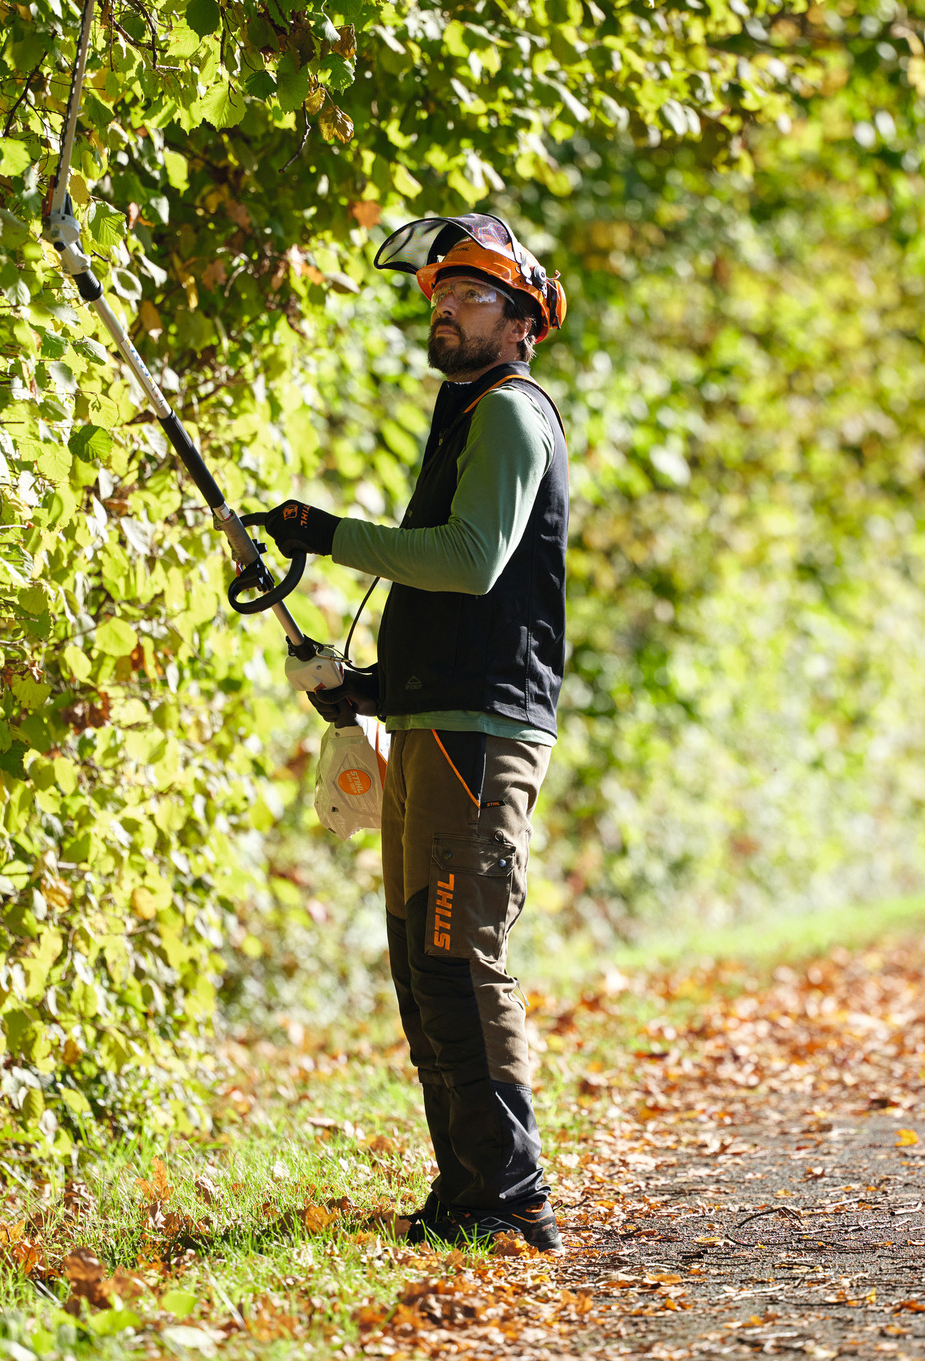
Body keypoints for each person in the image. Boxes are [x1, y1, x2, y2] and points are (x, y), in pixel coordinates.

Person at [260, 214, 570, 1253]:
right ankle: (467, 1185)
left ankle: (513, 1193)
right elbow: (460, 606)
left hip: (480, 736)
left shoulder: (513, 415)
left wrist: (328, 534)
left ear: (522, 319)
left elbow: (472, 559)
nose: (443, 306)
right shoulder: (465, 413)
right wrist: (372, 687)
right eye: (438, 293)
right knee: (420, 956)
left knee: (458, 948)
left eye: (469, 294)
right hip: (436, 720)